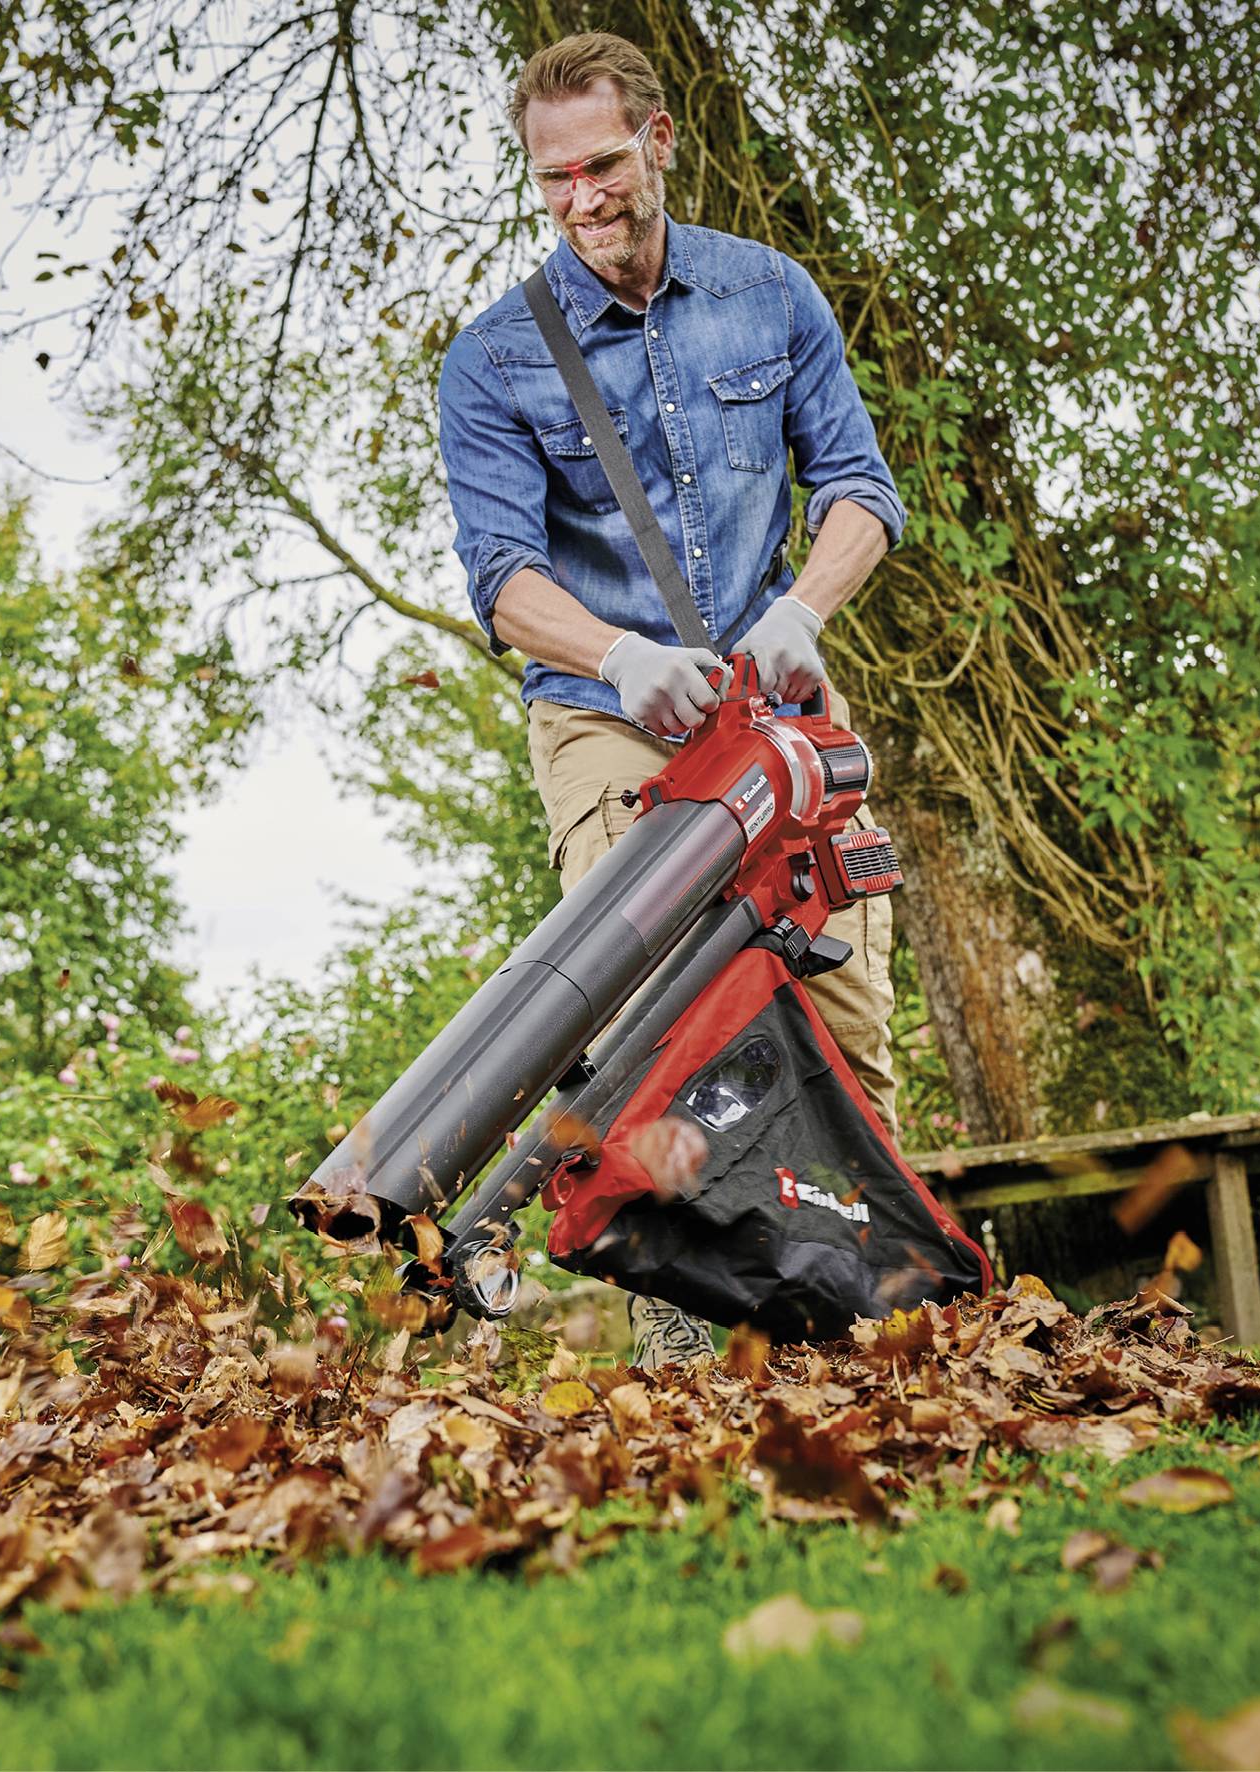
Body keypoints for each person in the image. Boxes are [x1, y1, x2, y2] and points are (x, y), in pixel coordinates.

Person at [436, 31, 906, 1370]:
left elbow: (862, 493)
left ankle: (871, 1335)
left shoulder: (770, 295)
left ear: (657, 142)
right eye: (550, 179)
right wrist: (621, 658)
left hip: (777, 690)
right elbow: (504, 582)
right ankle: (687, 1357)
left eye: (599, 164)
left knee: (842, 1007)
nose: (580, 199)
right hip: (607, 716)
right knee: (656, 1011)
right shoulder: (493, 362)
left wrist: (804, 607)